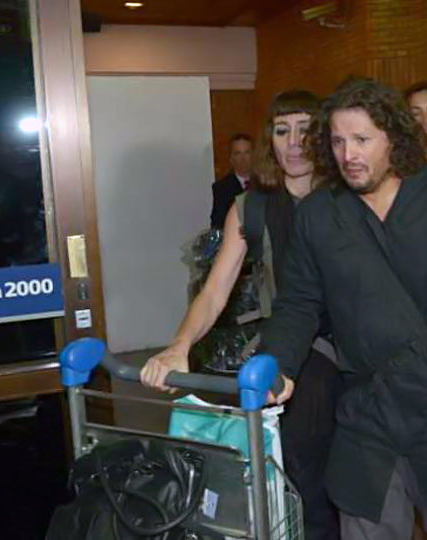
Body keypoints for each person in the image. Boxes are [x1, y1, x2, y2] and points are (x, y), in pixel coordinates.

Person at [263, 77, 427, 539]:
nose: (348, 154)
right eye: (337, 141)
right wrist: (278, 364)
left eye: (361, 140)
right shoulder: (320, 214)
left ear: (393, 139)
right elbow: (298, 302)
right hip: (365, 408)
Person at [140, 90, 341, 540]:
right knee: (301, 471)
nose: (293, 143)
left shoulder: (348, 196)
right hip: (295, 349)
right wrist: (179, 347)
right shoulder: (251, 207)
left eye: (306, 131)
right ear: (269, 139)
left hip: (356, 349)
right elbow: (214, 293)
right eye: (283, 131)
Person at [210, 133, 255, 229]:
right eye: (238, 153)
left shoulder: (265, 183)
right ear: (231, 158)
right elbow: (218, 224)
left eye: (247, 152)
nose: (243, 159)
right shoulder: (221, 188)